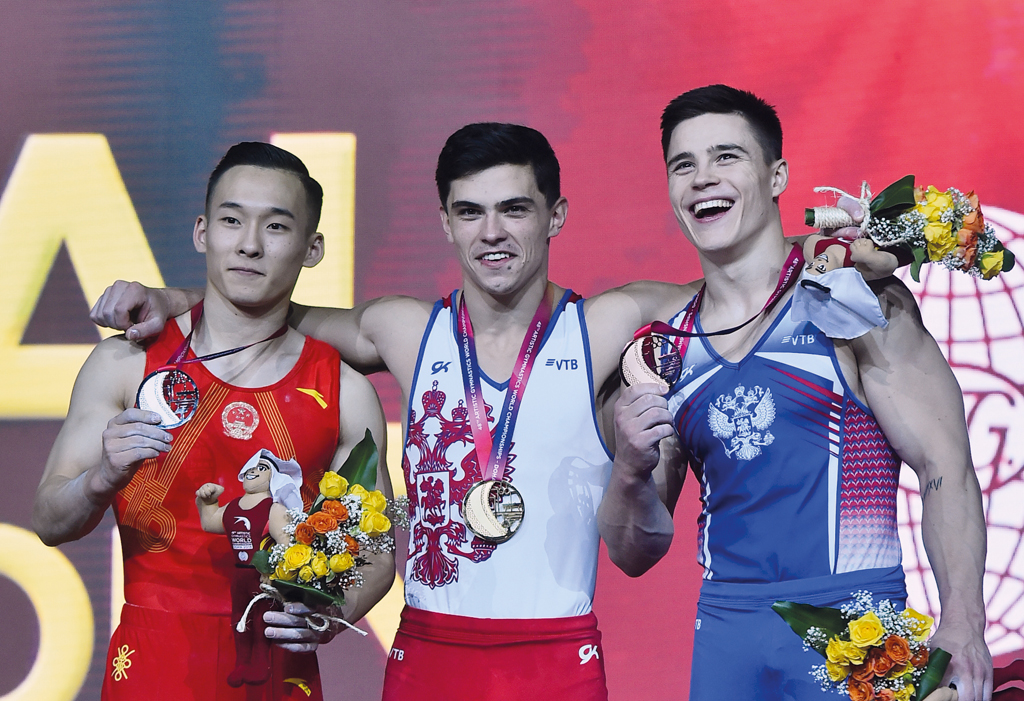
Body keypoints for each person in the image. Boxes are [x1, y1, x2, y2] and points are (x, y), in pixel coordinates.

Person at [88, 123, 877, 699]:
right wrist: (173, 297)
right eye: (470, 212)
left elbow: (745, 294)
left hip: (556, 655)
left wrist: (837, 256)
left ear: (556, 216)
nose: (492, 233)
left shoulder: (607, 320)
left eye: (514, 210)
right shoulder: (400, 329)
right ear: (445, 223)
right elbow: (260, 306)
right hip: (428, 653)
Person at [599, 85, 992, 700]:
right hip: (727, 639)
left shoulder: (854, 301)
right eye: (684, 165)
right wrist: (627, 469)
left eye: (725, 157)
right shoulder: (666, 349)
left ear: (776, 174)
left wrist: (964, 624)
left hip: (857, 629)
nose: (703, 178)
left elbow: (946, 468)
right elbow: (634, 551)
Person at [33, 142, 393, 701]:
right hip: (152, 666)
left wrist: (331, 612)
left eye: (276, 227)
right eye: (232, 221)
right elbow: (50, 519)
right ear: (204, 232)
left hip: (278, 670)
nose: (249, 244)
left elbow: (373, 550)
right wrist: (102, 476)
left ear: (311, 248)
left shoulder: (344, 392)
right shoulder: (125, 364)